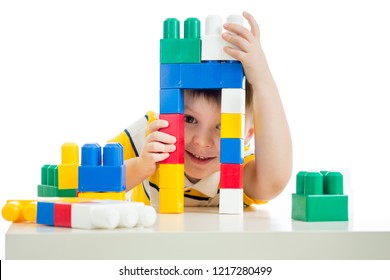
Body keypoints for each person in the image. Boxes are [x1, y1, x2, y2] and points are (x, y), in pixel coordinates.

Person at [109, 11, 292, 207]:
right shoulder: (151, 135)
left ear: (247, 135)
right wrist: (140, 166)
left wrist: (262, 80)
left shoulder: (236, 163)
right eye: (190, 119)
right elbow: (90, 181)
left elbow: (272, 183)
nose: (201, 142)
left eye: (222, 126)